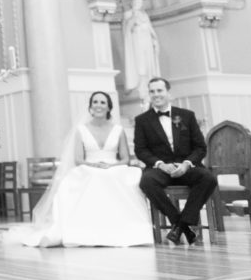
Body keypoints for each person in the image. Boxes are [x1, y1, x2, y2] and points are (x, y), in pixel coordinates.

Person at [18, 91, 152, 248]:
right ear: (90, 106)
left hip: (113, 167)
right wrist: (93, 165)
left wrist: (111, 165)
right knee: (92, 175)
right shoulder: (81, 129)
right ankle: (84, 230)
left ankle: (124, 229)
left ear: (109, 107)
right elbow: (78, 159)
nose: (98, 105)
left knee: (116, 175)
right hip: (89, 167)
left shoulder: (118, 130)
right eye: (95, 102)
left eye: (102, 102)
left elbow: (125, 159)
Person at [133, 77, 218, 245]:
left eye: (159, 90)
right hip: (160, 168)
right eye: (152, 91)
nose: (156, 94)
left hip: (185, 167)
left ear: (168, 93)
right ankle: (181, 225)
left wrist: (186, 164)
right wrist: (161, 164)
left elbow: (200, 147)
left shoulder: (187, 116)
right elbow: (140, 150)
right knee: (146, 182)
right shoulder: (142, 120)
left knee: (208, 178)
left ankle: (180, 225)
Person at [122, 0, 160, 105]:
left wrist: (155, 41)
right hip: (135, 43)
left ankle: (150, 86)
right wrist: (134, 18)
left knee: (149, 65)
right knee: (139, 65)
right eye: (136, 1)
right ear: (132, 2)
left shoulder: (145, 15)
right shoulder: (128, 13)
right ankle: (140, 86)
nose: (138, 3)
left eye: (140, 1)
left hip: (146, 42)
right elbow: (126, 30)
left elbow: (150, 29)